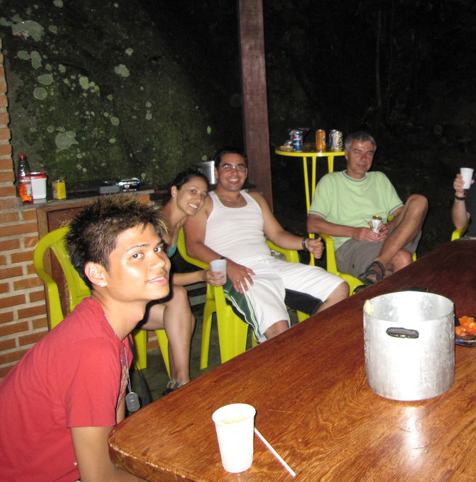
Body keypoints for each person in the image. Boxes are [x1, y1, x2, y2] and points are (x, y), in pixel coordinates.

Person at [0, 195, 169, 482]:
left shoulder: (112, 330)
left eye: (157, 248)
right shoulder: (92, 351)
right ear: (97, 274)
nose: (160, 262)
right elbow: (100, 478)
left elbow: (114, 436)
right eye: (137, 255)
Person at [184, 147, 349, 341]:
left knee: (339, 288)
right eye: (227, 167)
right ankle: (291, 351)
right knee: (279, 328)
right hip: (237, 274)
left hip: (271, 264)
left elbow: (277, 234)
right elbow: (193, 246)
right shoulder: (205, 202)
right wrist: (228, 265)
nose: (234, 172)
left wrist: (305, 243)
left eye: (240, 167)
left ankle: (309, 343)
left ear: (246, 172)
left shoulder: (255, 198)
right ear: (217, 172)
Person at [307, 131, 428, 286]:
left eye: (369, 153)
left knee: (419, 200)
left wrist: (389, 226)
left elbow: (401, 215)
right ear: (346, 154)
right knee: (402, 258)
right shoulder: (330, 182)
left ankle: (378, 266)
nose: (363, 159)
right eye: (357, 152)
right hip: (351, 246)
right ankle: (382, 277)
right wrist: (354, 232)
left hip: (389, 238)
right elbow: (313, 224)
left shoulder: (380, 179)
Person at [138, 168, 215, 394]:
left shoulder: (178, 224)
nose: (198, 199)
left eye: (203, 194)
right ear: (174, 191)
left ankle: (175, 385)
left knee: (184, 320)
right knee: (179, 296)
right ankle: (183, 383)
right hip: (131, 296)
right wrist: (200, 276)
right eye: (193, 191)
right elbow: (150, 278)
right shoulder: (155, 226)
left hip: (149, 293)